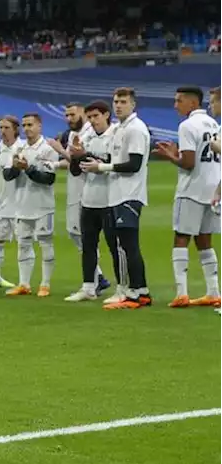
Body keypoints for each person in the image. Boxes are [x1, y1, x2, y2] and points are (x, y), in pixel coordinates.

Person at [81, 87, 152, 310]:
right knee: (128, 246)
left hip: (128, 195)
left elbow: (134, 164)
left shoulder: (135, 129)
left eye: (123, 101)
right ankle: (141, 291)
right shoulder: (121, 129)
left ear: (133, 104)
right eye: (115, 101)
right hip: (118, 194)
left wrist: (101, 167)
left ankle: (130, 294)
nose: (118, 105)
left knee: (126, 246)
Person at [154, 86, 222, 307]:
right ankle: (213, 291)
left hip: (192, 189)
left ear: (192, 103)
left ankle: (182, 293)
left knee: (181, 237)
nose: (175, 105)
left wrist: (170, 156)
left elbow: (189, 163)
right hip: (213, 188)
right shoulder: (214, 125)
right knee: (204, 239)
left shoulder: (186, 126)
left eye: (179, 101)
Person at [65, 101, 122, 302]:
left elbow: (115, 164)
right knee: (88, 245)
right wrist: (75, 157)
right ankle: (89, 287)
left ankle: (122, 288)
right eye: (89, 117)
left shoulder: (116, 135)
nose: (92, 121)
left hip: (110, 198)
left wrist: (85, 155)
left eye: (96, 116)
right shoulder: (86, 137)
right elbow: (75, 171)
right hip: (88, 198)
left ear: (106, 115)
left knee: (114, 246)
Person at [52, 102, 110, 293]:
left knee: (82, 234)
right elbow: (72, 163)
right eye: (66, 115)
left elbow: (79, 161)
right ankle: (97, 277)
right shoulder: (74, 135)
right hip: (76, 187)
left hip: (85, 189)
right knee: (76, 233)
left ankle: (95, 279)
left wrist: (60, 151)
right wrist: (53, 163)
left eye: (73, 114)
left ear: (83, 114)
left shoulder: (87, 134)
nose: (69, 119)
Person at [2, 113, 59, 297]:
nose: (27, 128)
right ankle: (24, 284)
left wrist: (28, 168)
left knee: (44, 242)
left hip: (43, 205)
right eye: (24, 125)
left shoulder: (48, 149)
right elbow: (7, 176)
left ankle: (45, 284)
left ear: (39, 126)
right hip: (22, 205)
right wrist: (16, 168)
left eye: (30, 125)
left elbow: (48, 179)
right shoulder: (19, 148)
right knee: (23, 244)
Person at [0, 116, 23, 291]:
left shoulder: (23, 148)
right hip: (1, 203)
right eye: (0, 127)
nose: (2, 131)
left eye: (6, 127)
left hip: (21, 205)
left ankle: (25, 282)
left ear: (16, 129)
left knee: (24, 243)